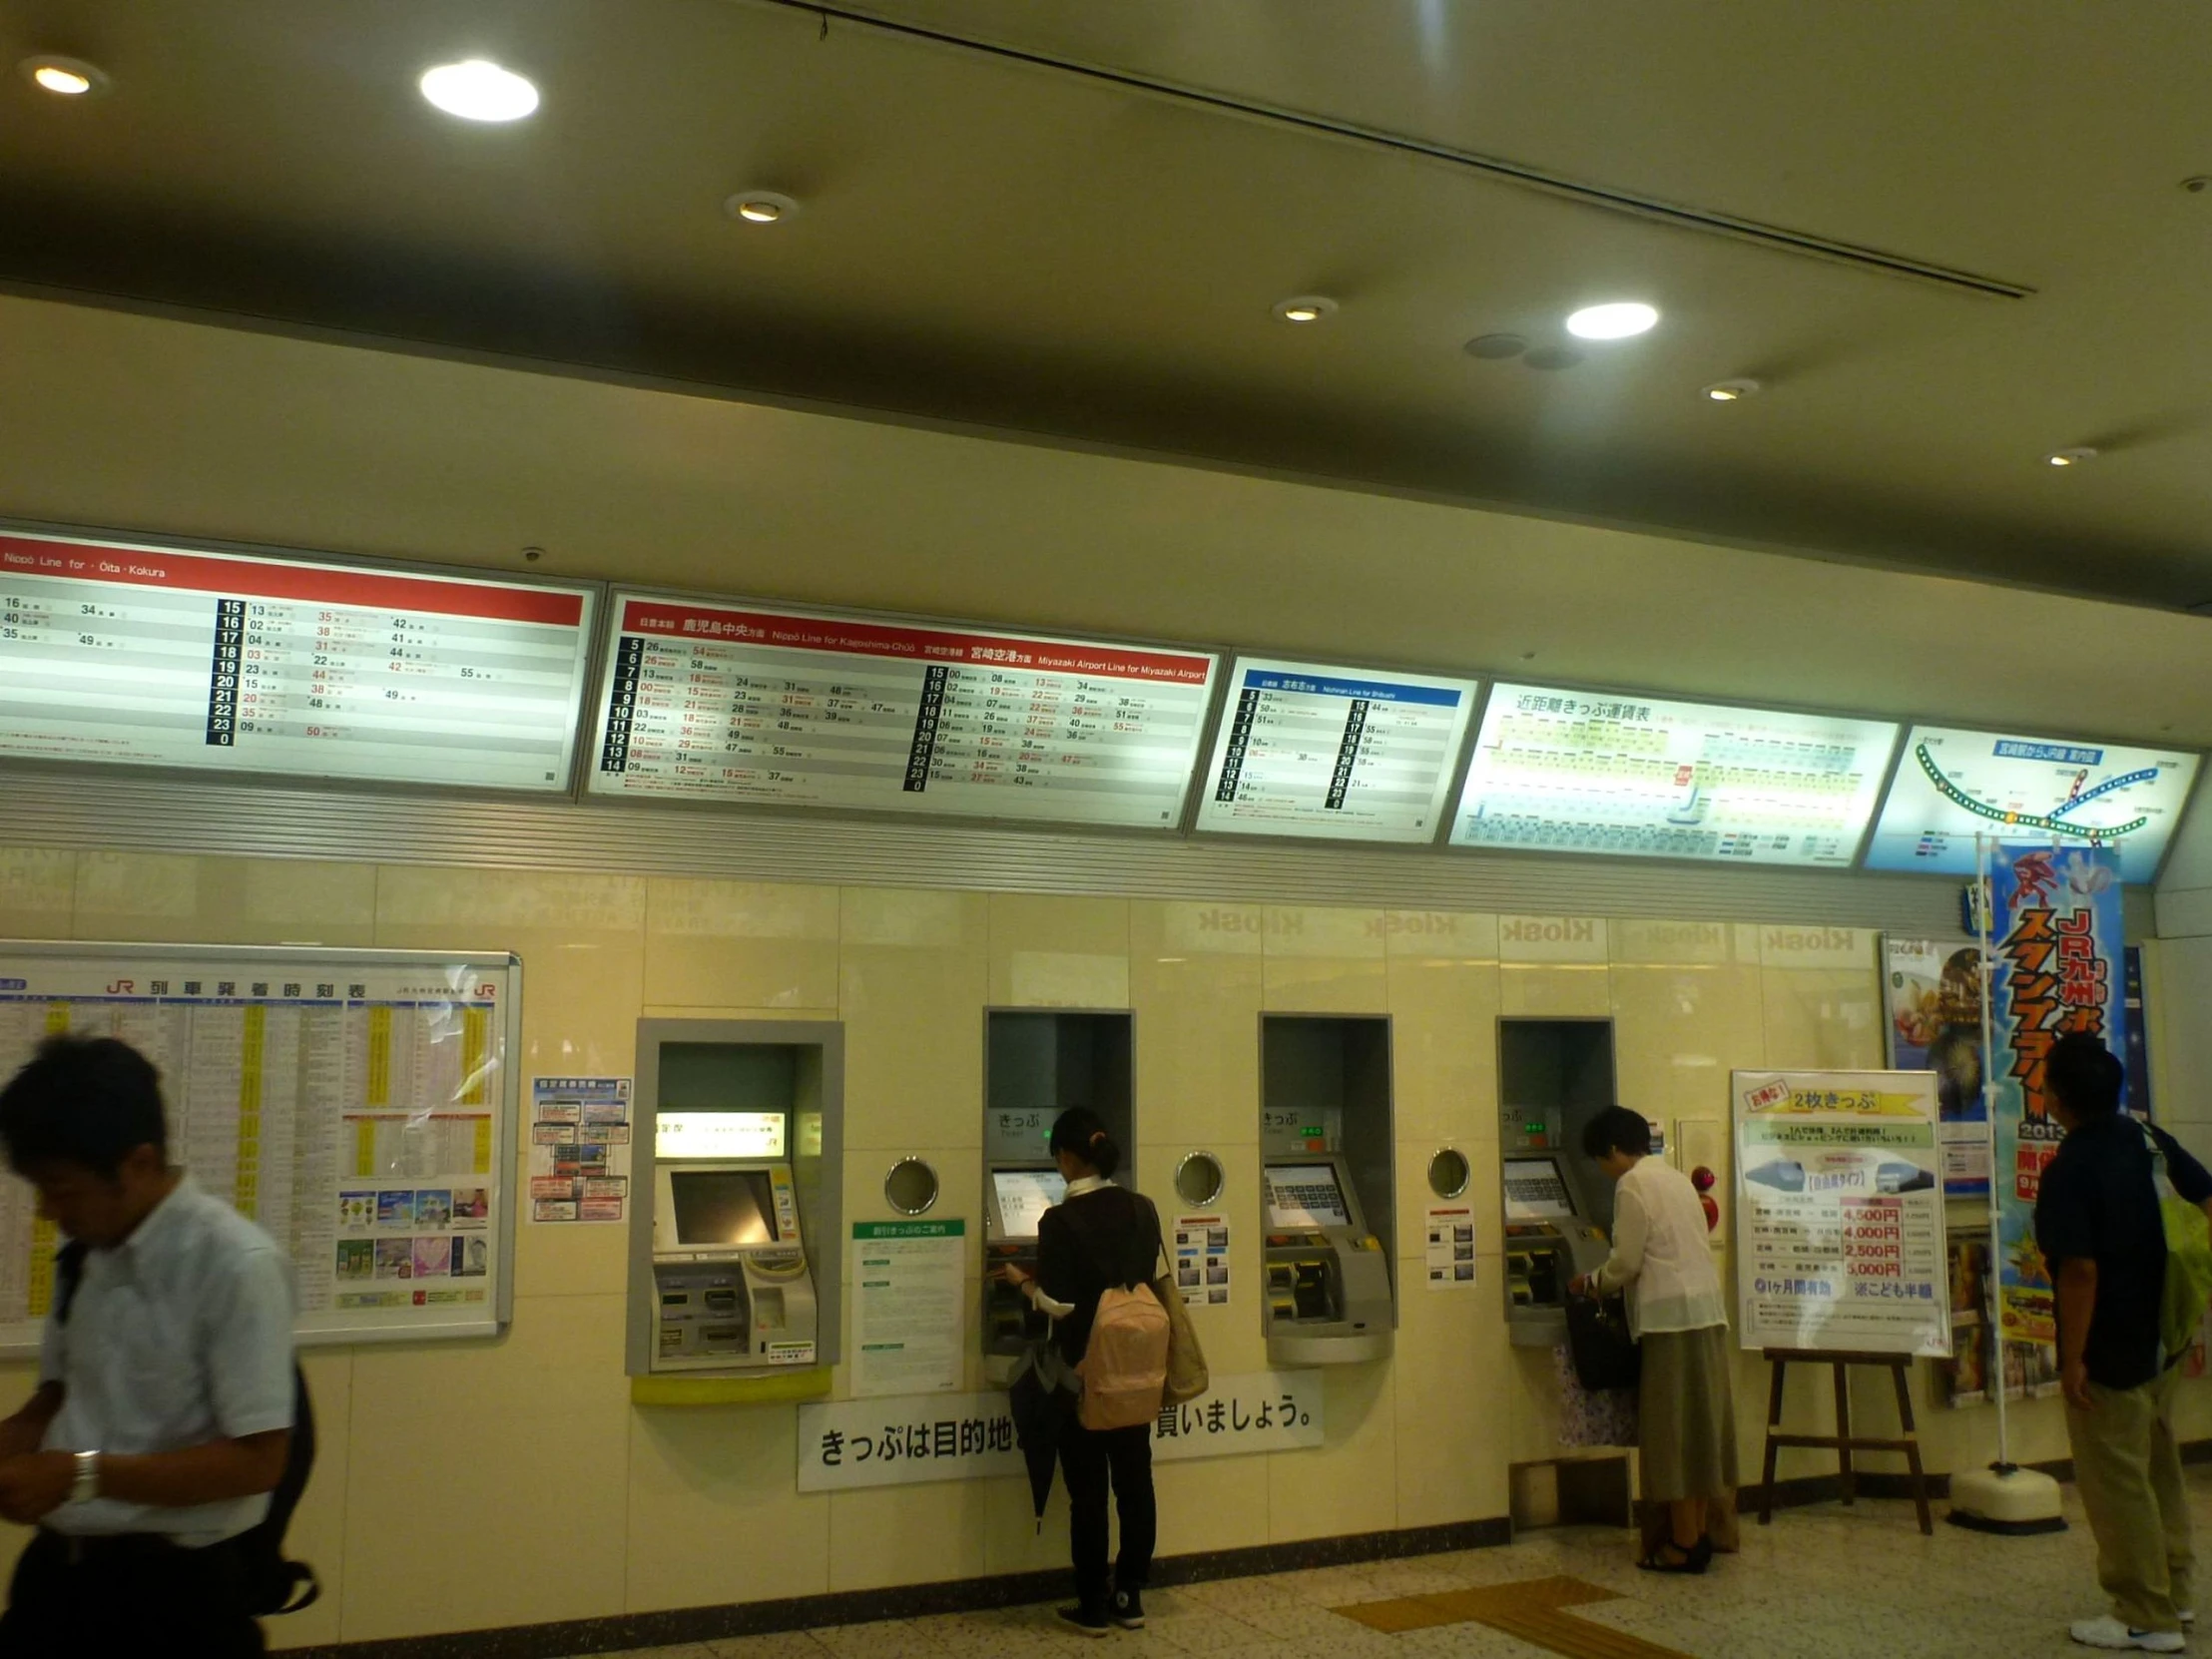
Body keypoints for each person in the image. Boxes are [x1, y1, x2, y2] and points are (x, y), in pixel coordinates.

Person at [0, 1035, 295, 1656]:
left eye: (63, 1189)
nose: (48, 1211)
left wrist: (77, 1476)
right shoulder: (86, 1256)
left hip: (174, 1598)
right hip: (59, 1581)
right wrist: (22, 1433)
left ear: (137, 1165)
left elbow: (260, 1460)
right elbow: (59, 1393)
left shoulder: (236, 1265)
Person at [2035, 1031, 2212, 1654]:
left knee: (2116, 1483)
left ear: (2056, 1099)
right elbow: (2208, 1199)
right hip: (2164, 1336)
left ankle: (2145, 1615)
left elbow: (2079, 1272)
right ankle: (2178, 1594)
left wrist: (2074, 1356)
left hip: (2110, 1348)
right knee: (2161, 1468)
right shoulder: (2149, 1139)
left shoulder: (2069, 1171)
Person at [993, 1108, 1163, 1637]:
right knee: (1135, 1482)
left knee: (1087, 1491)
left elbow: (1060, 1305)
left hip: (1083, 1372)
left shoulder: (1058, 1222)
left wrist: (1023, 1284)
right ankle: (1129, 1595)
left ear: (1066, 1159)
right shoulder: (1143, 1208)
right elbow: (1150, 1280)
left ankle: (1091, 1603)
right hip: (1136, 1369)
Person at [1568, 1105, 1736, 1573]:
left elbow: (1626, 1264)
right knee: (1702, 1433)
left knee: (1674, 1436)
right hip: (1704, 1315)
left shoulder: (1633, 1185)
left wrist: (1589, 1283)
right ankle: (1698, 1534)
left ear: (1615, 1150)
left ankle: (1682, 1545)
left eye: (1600, 1159)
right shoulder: (1677, 1179)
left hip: (1669, 1324)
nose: (1602, 1170)